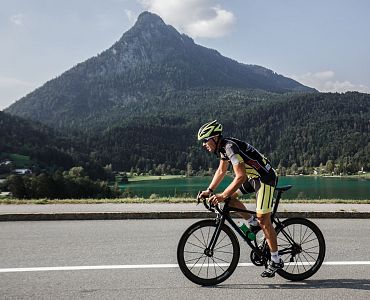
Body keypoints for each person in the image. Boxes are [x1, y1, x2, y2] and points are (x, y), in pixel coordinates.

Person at [198, 120, 284, 278]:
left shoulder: (230, 147)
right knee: (229, 199)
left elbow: (240, 176)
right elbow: (221, 170)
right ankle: (252, 223)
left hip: (265, 178)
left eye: (205, 140)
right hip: (253, 178)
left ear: (215, 138)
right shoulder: (223, 148)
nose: (204, 145)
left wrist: (222, 194)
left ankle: (275, 259)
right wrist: (209, 190)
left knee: (264, 220)